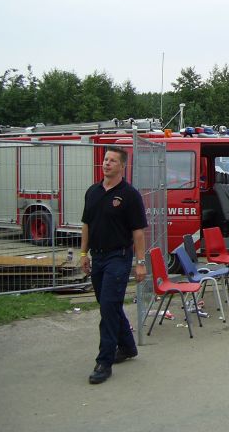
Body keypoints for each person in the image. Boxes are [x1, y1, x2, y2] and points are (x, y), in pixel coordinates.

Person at [80, 146, 148, 384]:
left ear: (122, 166)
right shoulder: (93, 192)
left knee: (108, 307)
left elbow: (138, 232)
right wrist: (83, 253)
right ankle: (128, 347)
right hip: (97, 258)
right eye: (105, 160)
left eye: (112, 161)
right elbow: (86, 225)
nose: (106, 163)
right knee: (108, 304)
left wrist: (140, 263)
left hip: (118, 258)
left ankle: (104, 361)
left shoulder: (130, 195)